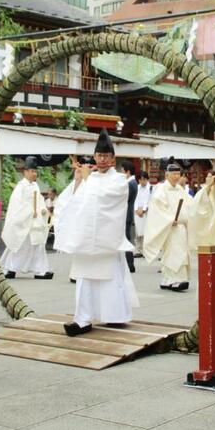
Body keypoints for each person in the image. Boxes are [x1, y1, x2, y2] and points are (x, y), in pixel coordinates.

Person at [54, 130, 139, 335]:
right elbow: (72, 203)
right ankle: (82, 319)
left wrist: (86, 180)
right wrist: (78, 181)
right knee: (84, 281)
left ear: (113, 159)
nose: (102, 160)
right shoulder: (88, 179)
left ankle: (115, 315)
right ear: (94, 157)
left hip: (106, 240)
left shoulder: (119, 180)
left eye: (106, 156)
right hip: (85, 240)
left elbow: (105, 200)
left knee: (110, 280)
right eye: (99, 156)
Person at [0, 157, 53, 280]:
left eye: (35, 171)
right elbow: (17, 205)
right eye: (32, 171)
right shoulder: (20, 187)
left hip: (34, 222)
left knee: (37, 245)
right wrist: (30, 211)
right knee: (18, 245)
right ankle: (9, 268)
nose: (35, 173)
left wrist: (42, 210)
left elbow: (39, 201)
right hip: (24, 221)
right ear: (26, 172)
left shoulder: (35, 186)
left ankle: (40, 270)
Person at [144, 161, 192, 291]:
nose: (176, 176)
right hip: (169, 227)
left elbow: (190, 205)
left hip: (181, 227)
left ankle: (172, 279)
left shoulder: (180, 189)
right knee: (172, 253)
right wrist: (170, 219)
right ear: (166, 175)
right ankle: (173, 279)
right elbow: (157, 208)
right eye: (174, 174)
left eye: (178, 174)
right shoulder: (161, 189)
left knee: (181, 252)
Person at [120, 160, 138, 273]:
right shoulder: (133, 183)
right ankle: (128, 263)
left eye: (122, 171)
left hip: (126, 214)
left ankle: (130, 263)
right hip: (128, 213)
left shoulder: (130, 184)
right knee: (127, 238)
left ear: (127, 172)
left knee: (126, 239)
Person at [133, 171, 151, 257]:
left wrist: (143, 210)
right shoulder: (137, 187)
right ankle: (138, 250)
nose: (142, 181)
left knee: (146, 233)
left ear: (147, 179)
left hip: (146, 212)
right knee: (138, 233)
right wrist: (136, 210)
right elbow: (135, 199)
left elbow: (148, 200)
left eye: (144, 179)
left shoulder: (150, 188)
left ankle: (145, 251)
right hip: (137, 212)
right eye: (140, 180)